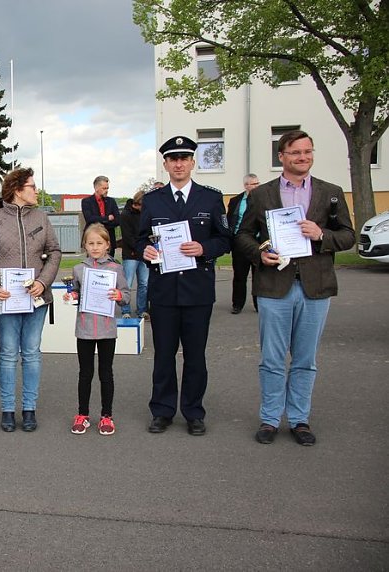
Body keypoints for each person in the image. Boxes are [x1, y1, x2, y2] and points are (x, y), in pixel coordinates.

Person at [235, 130, 355, 446]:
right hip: (274, 286)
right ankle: (271, 418)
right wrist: (261, 255)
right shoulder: (261, 194)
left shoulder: (331, 192)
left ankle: (300, 419)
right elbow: (243, 235)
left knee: (305, 359)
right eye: (295, 152)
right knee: (272, 359)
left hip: (316, 287)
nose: (302, 157)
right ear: (282, 156)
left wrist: (321, 235)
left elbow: (347, 236)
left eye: (307, 152)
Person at [137, 136, 231, 436]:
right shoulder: (152, 200)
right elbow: (140, 238)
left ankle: (193, 412)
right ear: (165, 164)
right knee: (163, 354)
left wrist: (204, 248)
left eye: (184, 158)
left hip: (197, 289)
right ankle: (162, 410)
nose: (178, 164)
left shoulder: (210, 198)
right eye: (172, 159)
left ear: (192, 162)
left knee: (195, 355)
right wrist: (145, 251)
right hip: (164, 289)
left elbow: (225, 239)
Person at [0, 167, 62, 432]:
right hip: (6, 300)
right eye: (32, 186)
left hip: (36, 300)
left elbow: (54, 252)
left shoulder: (42, 218)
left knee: (32, 354)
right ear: (17, 190)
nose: (36, 190)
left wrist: (43, 282)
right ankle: (8, 409)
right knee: (8, 354)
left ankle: (29, 409)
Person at [64, 223, 129, 436]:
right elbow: (76, 291)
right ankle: (82, 415)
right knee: (85, 373)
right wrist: (71, 296)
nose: (94, 247)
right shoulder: (79, 269)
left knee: (105, 373)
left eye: (99, 243)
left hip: (107, 330)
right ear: (85, 245)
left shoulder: (116, 268)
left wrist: (119, 296)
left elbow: (126, 295)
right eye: (90, 243)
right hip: (84, 329)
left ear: (107, 245)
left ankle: (106, 416)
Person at [227, 174, 260, 314]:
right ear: (246, 186)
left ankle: (259, 304)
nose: (256, 186)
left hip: (259, 243)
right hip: (240, 243)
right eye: (253, 184)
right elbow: (230, 221)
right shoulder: (236, 201)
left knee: (259, 275)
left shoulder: (264, 199)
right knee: (240, 275)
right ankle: (237, 304)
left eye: (257, 183)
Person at [119, 189, 149, 319]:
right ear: (138, 204)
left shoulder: (146, 214)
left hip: (145, 254)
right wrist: (139, 249)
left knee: (144, 283)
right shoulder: (125, 215)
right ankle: (125, 310)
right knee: (128, 284)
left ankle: (142, 309)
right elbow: (127, 236)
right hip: (130, 254)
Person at [80, 175, 120, 257]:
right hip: (93, 240)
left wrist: (100, 222)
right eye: (104, 188)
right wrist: (107, 218)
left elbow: (118, 220)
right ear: (96, 188)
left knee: (109, 266)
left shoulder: (111, 201)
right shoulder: (86, 202)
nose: (106, 191)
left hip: (109, 240)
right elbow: (90, 219)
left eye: (107, 188)